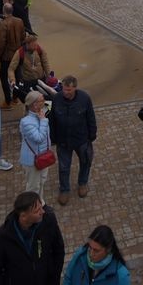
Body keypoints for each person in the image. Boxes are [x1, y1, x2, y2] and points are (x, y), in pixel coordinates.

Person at [0, 191, 66, 285]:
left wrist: (55, 277)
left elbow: (59, 250)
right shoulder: (3, 236)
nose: (43, 212)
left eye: (41, 207)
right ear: (23, 216)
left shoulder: (48, 221)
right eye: (37, 211)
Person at [48, 75, 97, 206]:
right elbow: (52, 120)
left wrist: (92, 135)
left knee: (85, 162)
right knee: (64, 167)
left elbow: (91, 117)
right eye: (64, 89)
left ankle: (82, 183)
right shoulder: (57, 98)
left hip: (82, 139)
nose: (65, 92)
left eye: (68, 90)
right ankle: (64, 190)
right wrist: (53, 138)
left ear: (75, 88)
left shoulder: (85, 98)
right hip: (63, 141)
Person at [62, 225, 131, 285]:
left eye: (96, 251)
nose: (91, 254)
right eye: (90, 247)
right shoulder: (80, 255)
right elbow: (68, 278)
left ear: (108, 250)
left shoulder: (122, 276)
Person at [19, 90, 52, 197]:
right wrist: (43, 121)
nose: (44, 103)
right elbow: (39, 138)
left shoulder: (41, 114)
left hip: (43, 156)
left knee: (42, 181)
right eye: (42, 101)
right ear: (34, 104)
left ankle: (40, 202)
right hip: (32, 160)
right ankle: (31, 208)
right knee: (33, 187)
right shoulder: (26, 122)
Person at [0, 4, 26, 105]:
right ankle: (15, 97)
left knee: (4, 77)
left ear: (4, 11)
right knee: (17, 76)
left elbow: (1, 43)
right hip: (17, 54)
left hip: (7, 56)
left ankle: (8, 100)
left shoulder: (3, 24)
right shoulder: (19, 21)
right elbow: (23, 37)